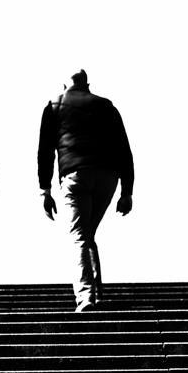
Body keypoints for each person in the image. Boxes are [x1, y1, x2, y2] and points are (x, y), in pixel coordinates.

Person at [38, 70, 134, 312]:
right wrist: (127, 191)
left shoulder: (54, 105)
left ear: (64, 84)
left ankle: (85, 298)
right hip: (108, 175)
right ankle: (97, 294)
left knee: (78, 235)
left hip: (75, 174)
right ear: (87, 84)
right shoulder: (107, 106)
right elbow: (124, 148)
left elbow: (45, 151)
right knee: (88, 232)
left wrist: (44, 190)